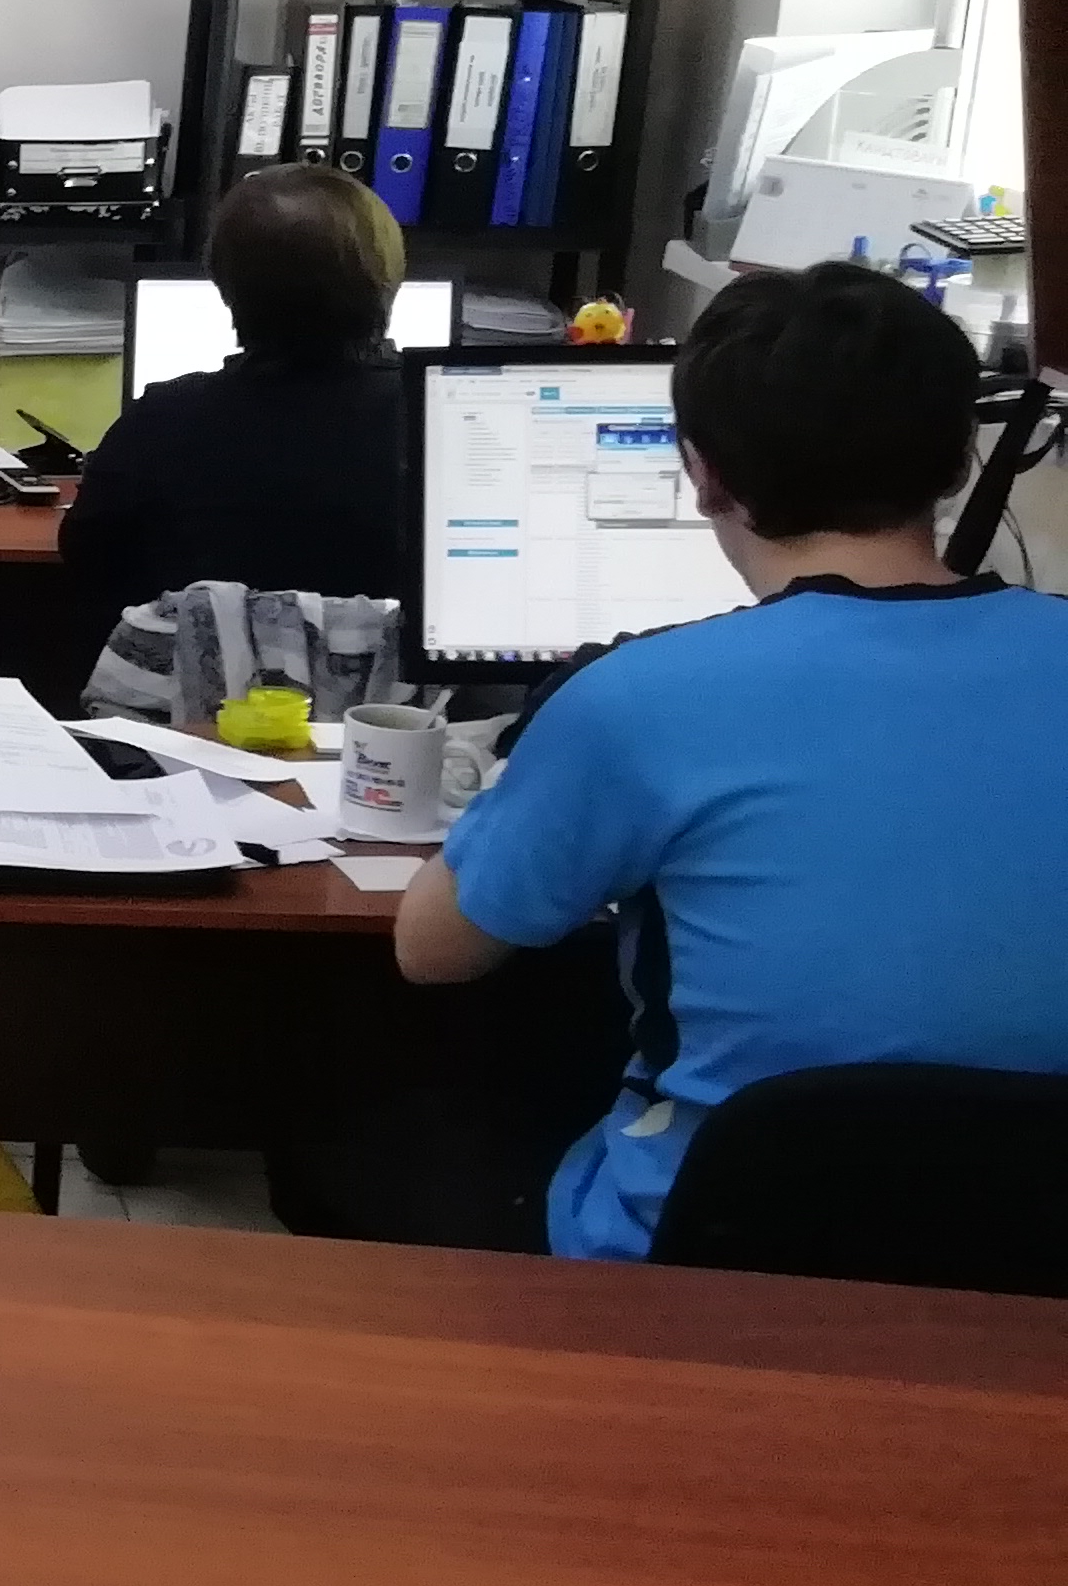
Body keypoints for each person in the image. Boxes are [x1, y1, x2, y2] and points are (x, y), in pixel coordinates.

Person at [379, 262, 1068, 1258]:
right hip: (1033, 1273)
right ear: (958, 460)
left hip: (704, 1265)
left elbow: (433, 952)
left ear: (702, 473)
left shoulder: (631, 699)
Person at [60, 163, 413, 623]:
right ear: (388, 276)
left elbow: (87, 557)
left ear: (224, 285)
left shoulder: (162, 421)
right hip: (391, 673)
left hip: (203, 671)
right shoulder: (441, 424)